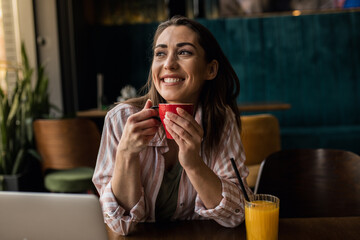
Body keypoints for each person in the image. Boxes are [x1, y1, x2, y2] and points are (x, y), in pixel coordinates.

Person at [92, 15, 253, 236]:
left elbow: (237, 215)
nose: (168, 64)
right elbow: (119, 225)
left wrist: (194, 164)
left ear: (211, 70)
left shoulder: (220, 122)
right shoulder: (120, 120)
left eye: (184, 52)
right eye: (160, 53)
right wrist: (126, 154)